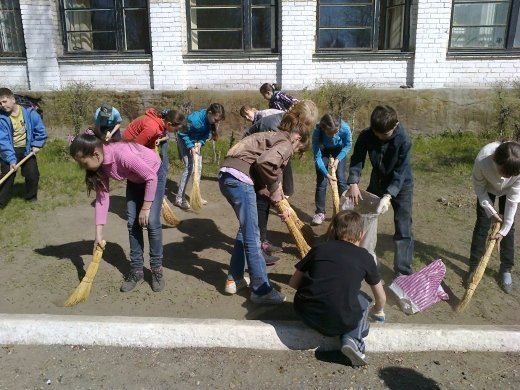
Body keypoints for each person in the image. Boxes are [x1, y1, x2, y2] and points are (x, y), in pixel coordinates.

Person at [219, 100, 318, 304]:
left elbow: (260, 167)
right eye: (298, 150)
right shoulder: (286, 142)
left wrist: (277, 201)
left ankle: (234, 278)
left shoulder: (275, 134)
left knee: (246, 230)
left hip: (229, 174)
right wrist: (276, 189)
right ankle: (260, 290)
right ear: (298, 138)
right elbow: (266, 164)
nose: (294, 154)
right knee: (253, 236)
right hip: (241, 178)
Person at [69, 133, 165, 293]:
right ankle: (136, 270)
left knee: (152, 221)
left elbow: (150, 177)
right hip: (135, 180)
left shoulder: (121, 155)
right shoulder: (100, 164)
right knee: (132, 222)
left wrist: (146, 208)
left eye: (84, 163)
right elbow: (102, 199)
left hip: (154, 173)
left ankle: (157, 270)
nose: (83, 168)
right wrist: (98, 235)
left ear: (95, 154)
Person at [289, 210, 386, 366]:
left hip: (304, 313)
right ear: (361, 234)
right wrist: (377, 310)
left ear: (333, 231)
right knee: (364, 300)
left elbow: (293, 283)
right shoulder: (365, 257)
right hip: (339, 322)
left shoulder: (319, 249)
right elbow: (381, 298)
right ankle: (352, 339)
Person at [346, 105, 414, 276]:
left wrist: (389, 195)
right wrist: (353, 182)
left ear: (395, 125)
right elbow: (357, 158)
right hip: (377, 181)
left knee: (403, 226)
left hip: (401, 184)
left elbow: (401, 170)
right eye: (376, 134)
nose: (379, 138)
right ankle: (360, 256)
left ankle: (403, 271)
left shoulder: (404, 141)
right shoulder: (367, 135)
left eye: (384, 135)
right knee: (363, 217)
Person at [467, 141, 520, 294]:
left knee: (509, 227)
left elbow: (513, 201)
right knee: (482, 224)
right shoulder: (482, 160)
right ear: (495, 161)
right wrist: (491, 212)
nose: (505, 178)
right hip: (486, 189)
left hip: (509, 192)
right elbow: (480, 190)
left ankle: (506, 269)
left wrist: (503, 230)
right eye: (504, 172)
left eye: (510, 175)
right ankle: (474, 266)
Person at [122, 108, 186, 218]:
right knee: (145, 180)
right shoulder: (152, 127)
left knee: (158, 169)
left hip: (135, 147)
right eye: (175, 130)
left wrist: (155, 157)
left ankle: (147, 207)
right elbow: (137, 148)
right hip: (129, 149)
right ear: (169, 124)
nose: (175, 132)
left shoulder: (158, 125)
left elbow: (149, 143)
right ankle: (140, 213)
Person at [0, 87, 47, 208]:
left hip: (27, 149)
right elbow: (3, 141)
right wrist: (11, 159)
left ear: (13, 99)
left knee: (32, 174)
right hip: (10, 149)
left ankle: (31, 197)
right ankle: (1, 202)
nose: (2, 105)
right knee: (8, 175)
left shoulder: (30, 113)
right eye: (0, 103)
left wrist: (37, 144)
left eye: (4, 101)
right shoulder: (1, 118)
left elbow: (40, 131)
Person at [175, 103, 225, 210]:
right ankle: (179, 199)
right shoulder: (194, 120)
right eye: (216, 120)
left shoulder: (208, 119)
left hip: (196, 142)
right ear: (210, 113)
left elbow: (206, 134)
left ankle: (196, 196)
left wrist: (200, 143)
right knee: (189, 168)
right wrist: (190, 147)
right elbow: (182, 133)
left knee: (198, 167)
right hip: (185, 140)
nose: (216, 123)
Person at [311, 113, 352, 225]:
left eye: (336, 132)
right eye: (330, 133)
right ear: (324, 129)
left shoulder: (345, 128)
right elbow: (317, 157)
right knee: (321, 181)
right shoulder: (317, 132)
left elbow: (348, 145)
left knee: (341, 179)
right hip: (323, 149)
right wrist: (326, 174)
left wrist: (338, 159)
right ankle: (320, 212)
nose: (334, 136)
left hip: (339, 150)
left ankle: (344, 211)